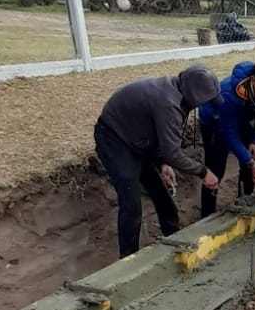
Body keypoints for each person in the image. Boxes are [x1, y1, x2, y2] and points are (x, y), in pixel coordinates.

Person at [94, 66, 220, 258]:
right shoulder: (169, 103)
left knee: (162, 194)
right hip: (115, 138)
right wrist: (203, 172)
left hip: (137, 137)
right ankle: (127, 261)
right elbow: (173, 153)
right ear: (195, 95)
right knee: (131, 202)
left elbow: (162, 138)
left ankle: (175, 239)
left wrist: (162, 163)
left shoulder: (176, 93)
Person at [197, 58, 255, 217]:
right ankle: (207, 216)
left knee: (251, 157)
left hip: (240, 118)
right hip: (215, 121)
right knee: (215, 167)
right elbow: (229, 134)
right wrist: (249, 161)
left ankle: (246, 202)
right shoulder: (228, 96)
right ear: (254, 80)